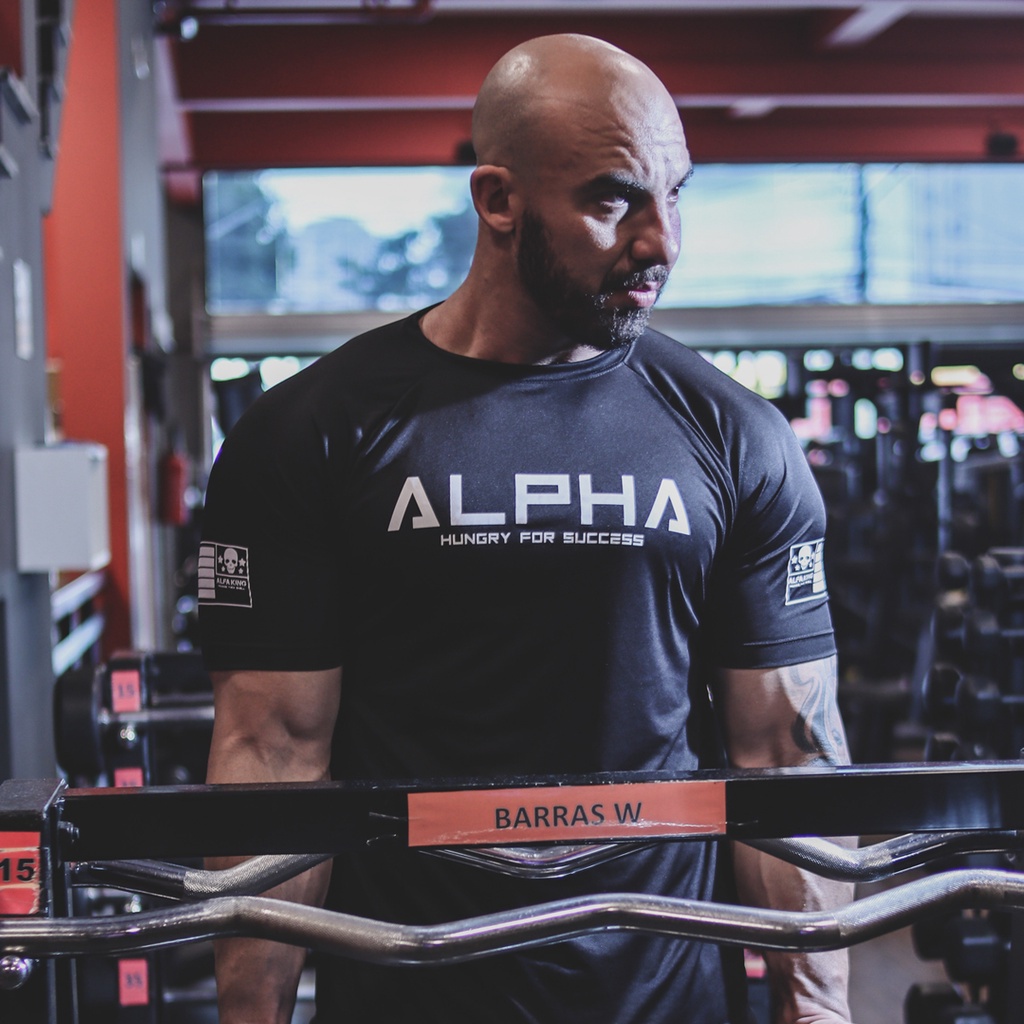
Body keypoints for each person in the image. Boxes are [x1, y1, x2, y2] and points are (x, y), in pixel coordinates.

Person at [198, 32, 854, 1024]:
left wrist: (822, 1011)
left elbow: (787, 756)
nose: (662, 244)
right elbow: (273, 756)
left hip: (663, 995)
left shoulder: (734, 436)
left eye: (675, 195)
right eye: (614, 200)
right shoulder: (313, 433)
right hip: (413, 993)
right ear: (498, 200)